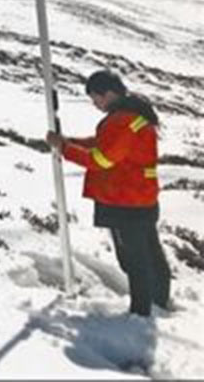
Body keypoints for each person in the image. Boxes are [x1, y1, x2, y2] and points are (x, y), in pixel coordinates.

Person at [46, 70, 171, 317]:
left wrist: (64, 148)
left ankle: (140, 314)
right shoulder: (132, 115)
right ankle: (159, 303)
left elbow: (102, 158)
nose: (95, 105)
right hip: (140, 197)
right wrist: (71, 142)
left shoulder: (122, 120)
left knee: (134, 261)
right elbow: (105, 143)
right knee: (150, 254)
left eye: (96, 98)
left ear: (109, 93)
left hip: (124, 200)